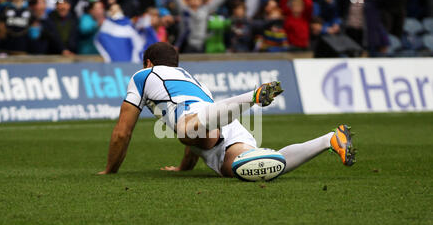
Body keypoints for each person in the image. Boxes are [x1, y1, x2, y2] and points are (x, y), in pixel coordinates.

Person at [98, 42, 356, 178]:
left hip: (207, 120)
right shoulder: (195, 82)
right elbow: (195, 141)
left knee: (186, 129)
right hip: (224, 122)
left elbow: (123, 132)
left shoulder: (143, 75)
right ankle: (328, 139)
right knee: (261, 168)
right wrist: (183, 168)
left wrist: (110, 169)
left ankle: (251, 96)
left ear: (149, 62)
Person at [168, 0, 243, 53]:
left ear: (201, 1)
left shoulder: (205, 10)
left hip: (201, 45)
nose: (194, 1)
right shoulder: (184, 11)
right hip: (187, 45)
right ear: (188, 1)